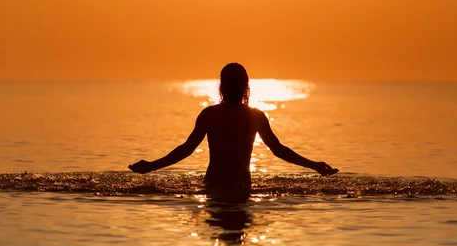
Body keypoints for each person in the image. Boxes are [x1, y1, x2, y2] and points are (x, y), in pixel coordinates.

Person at [128, 63, 338, 195]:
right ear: (246, 87)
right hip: (242, 187)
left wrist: (152, 166)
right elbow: (279, 150)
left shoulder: (209, 114)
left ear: (221, 87)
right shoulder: (255, 116)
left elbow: (186, 150)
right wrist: (314, 165)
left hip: (213, 185)